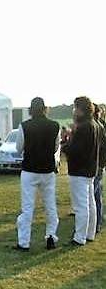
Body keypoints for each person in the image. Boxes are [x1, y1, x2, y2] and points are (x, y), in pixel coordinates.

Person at [14, 97, 60, 251]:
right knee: (50, 205)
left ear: (30, 109)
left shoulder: (24, 126)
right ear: (45, 108)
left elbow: (19, 148)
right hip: (47, 170)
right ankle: (51, 237)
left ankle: (24, 242)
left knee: (27, 207)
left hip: (29, 170)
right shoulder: (55, 126)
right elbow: (55, 148)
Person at [62, 96, 100, 246]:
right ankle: (90, 233)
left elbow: (77, 150)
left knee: (81, 206)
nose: (73, 110)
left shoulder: (84, 127)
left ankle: (79, 237)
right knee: (90, 203)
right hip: (90, 169)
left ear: (80, 109)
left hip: (79, 170)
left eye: (75, 107)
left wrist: (65, 145)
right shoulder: (94, 124)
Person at [92, 104, 106, 234]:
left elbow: (102, 149)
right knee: (97, 196)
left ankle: (95, 224)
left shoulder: (96, 127)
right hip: (98, 166)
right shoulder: (99, 126)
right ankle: (97, 223)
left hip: (95, 167)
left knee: (93, 196)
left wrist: (101, 165)